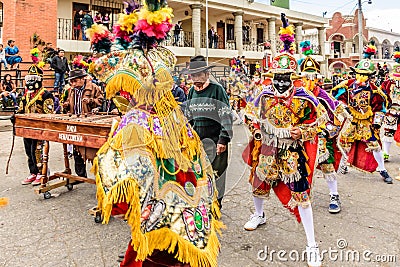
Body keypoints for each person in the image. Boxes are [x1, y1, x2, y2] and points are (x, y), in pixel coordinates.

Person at [90, 1, 223, 265]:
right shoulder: (164, 103)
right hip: (171, 132)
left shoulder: (138, 116)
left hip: (159, 137)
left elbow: (102, 70)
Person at [242, 13, 324, 267]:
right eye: (276, 76)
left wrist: (304, 132)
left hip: (292, 152)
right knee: (258, 185)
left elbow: (320, 122)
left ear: (293, 77)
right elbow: (249, 114)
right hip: (267, 149)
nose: (279, 82)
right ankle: (259, 214)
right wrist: (257, 129)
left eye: (285, 77)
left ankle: (312, 244)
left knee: (302, 196)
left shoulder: (305, 97)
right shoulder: (264, 94)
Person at [299, 43, 352, 213]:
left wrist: (329, 129)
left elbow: (336, 110)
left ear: (316, 78)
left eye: (311, 77)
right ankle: (302, 195)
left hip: (320, 136)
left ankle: (334, 195)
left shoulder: (321, 94)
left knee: (327, 165)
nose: (308, 81)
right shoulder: (296, 94)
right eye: (305, 77)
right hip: (299, 137)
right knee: (299, 167)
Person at [332, 40, 393, 184]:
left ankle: (382, 169)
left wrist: (377, 123)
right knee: (344, 142)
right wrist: (343, 109)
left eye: (365, 75)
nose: (361, 77)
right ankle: (343, 164)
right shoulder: (347, 86)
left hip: (366, 122)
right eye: (359, 73)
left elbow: (380, 107)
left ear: (370, 76)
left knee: (374, 145)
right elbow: (336, 99)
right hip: (351, 119)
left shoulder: (374, 89)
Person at [184, 55, 233, 208]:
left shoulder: (217, 90)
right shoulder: (191, 91)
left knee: (217, 175)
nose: (196, 78)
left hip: (216, 141)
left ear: (206, 74)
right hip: (198, 143)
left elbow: (226, 115)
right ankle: (203, 205)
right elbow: (189, 116)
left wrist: (223, 139)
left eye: (199, 74)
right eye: (193, 75)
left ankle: (216, 206)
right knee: (200, 174)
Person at [62, 69, 104, 178]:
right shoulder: (71, 90)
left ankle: (100, 177)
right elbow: (69, 101)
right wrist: (66, 105)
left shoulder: (93, 87)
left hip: (89, 123)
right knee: (77, 150)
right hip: (76, 121)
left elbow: (101, 101)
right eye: (71, 81)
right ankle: (80, 176)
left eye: (75, 81)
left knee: (93, 150)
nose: (73, 83)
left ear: (82, 79)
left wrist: (91, 101)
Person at [19, 65, 54, 185]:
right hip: (26, 128)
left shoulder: (46, 94)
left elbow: (49, 113)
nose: (30, 82)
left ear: (39, 80)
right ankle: (33, 172)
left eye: (32, 80)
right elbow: (20, 109)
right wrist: (16, 117)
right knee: (29, 151)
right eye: (28, 80)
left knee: (37, 151)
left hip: (39, 129)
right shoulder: (26, 95)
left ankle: (41, 173)